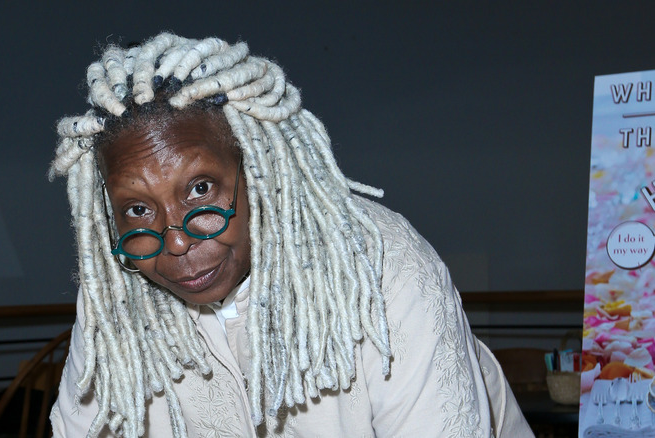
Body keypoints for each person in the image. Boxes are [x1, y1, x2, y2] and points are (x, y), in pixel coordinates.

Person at [48, 32, 533, 437]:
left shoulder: (382, 263)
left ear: (259, 172)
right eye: (137, 209)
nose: (175, 241)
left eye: (200, 189)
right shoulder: (114, 298)